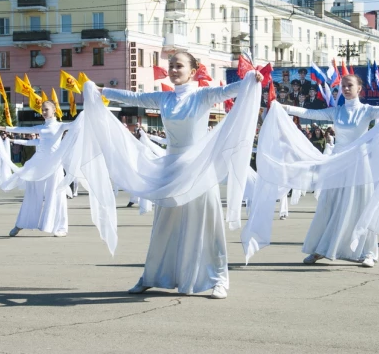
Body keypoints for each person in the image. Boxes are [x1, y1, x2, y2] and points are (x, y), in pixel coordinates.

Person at [100, 52, 262, 299]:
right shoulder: (165, 98)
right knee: (165, 225)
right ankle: (153, 275)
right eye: (171, 66)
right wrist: (102, 91)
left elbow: (231, 90)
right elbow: (135, 97)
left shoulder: (203, 95)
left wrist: (252, 78)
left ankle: (218, 278)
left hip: (198, 167)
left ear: (193, 71)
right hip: (172, 167)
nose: (174, 70)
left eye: (179, 66)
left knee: (206, 223)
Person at [281, 74, 379, 267]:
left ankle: (368, 252)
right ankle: (321, 248)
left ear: (359, 89)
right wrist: (284, 107)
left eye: (349, 85)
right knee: (331, 205)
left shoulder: (367, 110)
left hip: (360, 163)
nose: (345, 88)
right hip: (338, 162)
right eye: (343, 85)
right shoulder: (336, 112)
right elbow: (309, 112)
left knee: (362, 205)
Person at [0, 101, 70, 237]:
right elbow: (21, 130)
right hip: (39, 165)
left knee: (56, 194)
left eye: (46, 109)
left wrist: (89, 114)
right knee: (32, 193)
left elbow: (77, 124)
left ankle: (61, 227)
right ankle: (20, 224)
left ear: (54, 110)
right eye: (42, 110)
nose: (43, 112)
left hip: (54, 166)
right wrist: (2, 128)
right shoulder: (40, 128)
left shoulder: (61, 126)